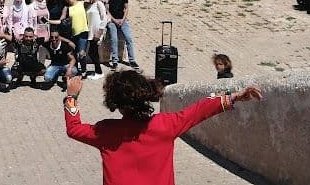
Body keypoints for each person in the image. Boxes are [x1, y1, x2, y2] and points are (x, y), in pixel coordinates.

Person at [63, 71, 262, 185]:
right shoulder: (165, 125)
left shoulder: (106, 131)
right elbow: (199, 110)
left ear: (116, 103)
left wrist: (71, 96)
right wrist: (235, 96)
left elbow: (74, 128)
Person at [51, 0, 89, 77]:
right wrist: (49, 21)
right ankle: (74, 71)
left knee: (81, 53)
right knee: (74, 54)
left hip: (83, 32)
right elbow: (61, 20)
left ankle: (83, 70)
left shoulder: (82, 3)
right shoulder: (67, 8)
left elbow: (94, 4)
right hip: (73, 34)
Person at [105, 0, 138, 70]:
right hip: (112, 21)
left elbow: (126, 8)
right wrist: (115, 20)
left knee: (129, 38)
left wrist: (123, 20)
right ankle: (114, 61)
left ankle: (132, 60)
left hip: (122, 20)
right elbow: (107, 10)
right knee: (114, 39)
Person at [84, 0, 108, 80]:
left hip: (97, 32)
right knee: (93, 52)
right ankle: (98, 71)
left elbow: (104, 18)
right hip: (90, 32)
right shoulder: (90, 5)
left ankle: (99, 72)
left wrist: (100, 32)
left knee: (92, 52)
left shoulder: (99, 4)